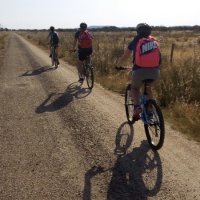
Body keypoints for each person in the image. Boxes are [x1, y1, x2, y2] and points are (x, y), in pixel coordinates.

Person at [117, 23, 161, 120]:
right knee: (148, 88)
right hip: (155, 71)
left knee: (135, 88)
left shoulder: (134, 42)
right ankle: (150, 112)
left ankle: (137, 107)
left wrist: (118, 65)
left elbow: (124, 57)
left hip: (139, 71)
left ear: (137, 31)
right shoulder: (155, 41)